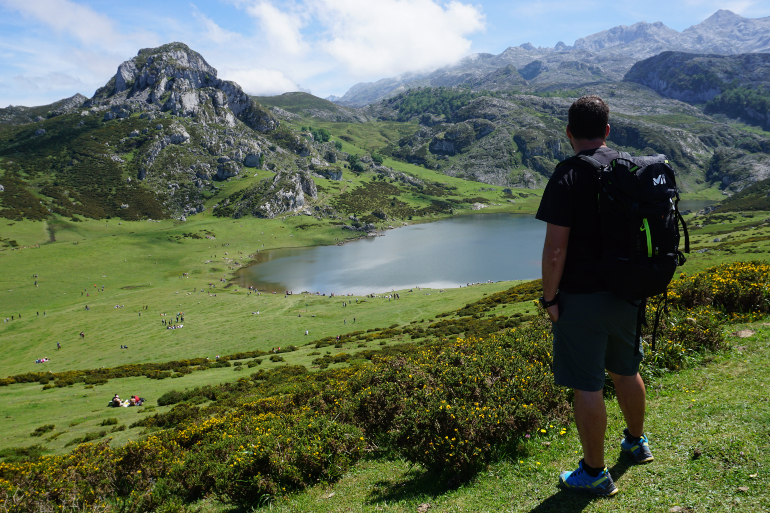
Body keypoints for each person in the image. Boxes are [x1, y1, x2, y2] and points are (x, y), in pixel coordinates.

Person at [536, 95, 653, 497]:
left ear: (568, 133)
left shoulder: (567, 174)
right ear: (607, 130)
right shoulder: (629, 167)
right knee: (626, 369)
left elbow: (555, 250)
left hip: (582, 298)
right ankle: (637, 444)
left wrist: (550, 300)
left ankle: (594, 472)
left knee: (587, 384)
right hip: (628, 292)